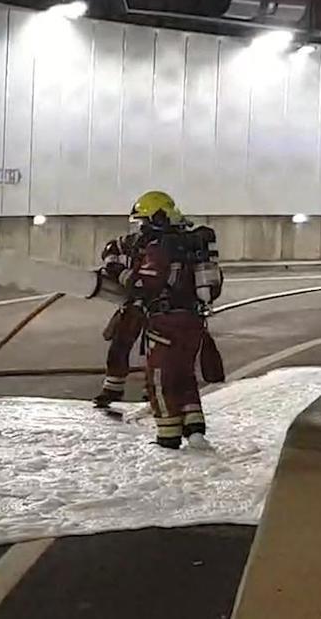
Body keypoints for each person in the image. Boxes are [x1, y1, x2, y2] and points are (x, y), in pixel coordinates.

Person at [118, 191, 223, 449]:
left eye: (142, 221)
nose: (140, 228)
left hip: (166, 324)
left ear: (156, 217)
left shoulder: (159, 248)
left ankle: (168, 436)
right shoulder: (192, 244)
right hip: (193, 322)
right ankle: (195, 430)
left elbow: (145, 283)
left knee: (160, 380)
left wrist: (120, 273)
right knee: (184, 377)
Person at [94, 231, 146, 409]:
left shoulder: (171, 245)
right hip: (134, 303)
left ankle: (153, 390)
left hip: (160, 305)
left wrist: (123, 274)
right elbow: (112, 247)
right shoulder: (136, 240)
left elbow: (152, 280)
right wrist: (111, 264)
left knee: (155, 352)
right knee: (119, 345)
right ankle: (112, 390)